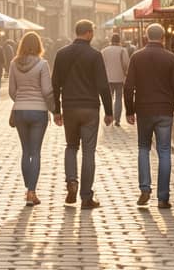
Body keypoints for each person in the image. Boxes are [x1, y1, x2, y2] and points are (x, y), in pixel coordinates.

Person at [125, 23, 174, 208]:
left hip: (144, 110)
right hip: (164, 110)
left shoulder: (137, 57)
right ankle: (163, 197)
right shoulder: (170, 58)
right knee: (164, 152)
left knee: (143, 148)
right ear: (163, 37)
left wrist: (129, 110)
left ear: (146, 37)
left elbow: (128, 86)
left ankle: (145, 188)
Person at [52, 19, 114, 209]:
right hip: (90, 108)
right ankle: (86, 196)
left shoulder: (61, 54)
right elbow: (103, 85)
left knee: (71, 147)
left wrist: (56, 109)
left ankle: (71, 181)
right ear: (88, 33)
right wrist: (109, 111)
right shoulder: (95, 55)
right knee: (88, 152)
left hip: (69, 107)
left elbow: (55, 84)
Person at [8, 31, 55, 206]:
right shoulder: (43, 64)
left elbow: (12, 91)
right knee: (35, 152)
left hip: (20, 110)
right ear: (38, 46)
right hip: (38, 112)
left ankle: (28, 188)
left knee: (25, 151)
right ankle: (31, 192)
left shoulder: (14, 64)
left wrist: (21, 100)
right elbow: (46, 90)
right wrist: (53, 109)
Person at [102, 33, 131, 126]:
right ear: (119, 41)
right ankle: (117, 119)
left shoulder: (104, 51)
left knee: (108, 98)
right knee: (118, 98)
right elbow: (126, 64)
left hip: (107, 78)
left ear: (111, 40)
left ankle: (108, 115)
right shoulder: (123, 50)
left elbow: (101, 65)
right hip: (120, 78)